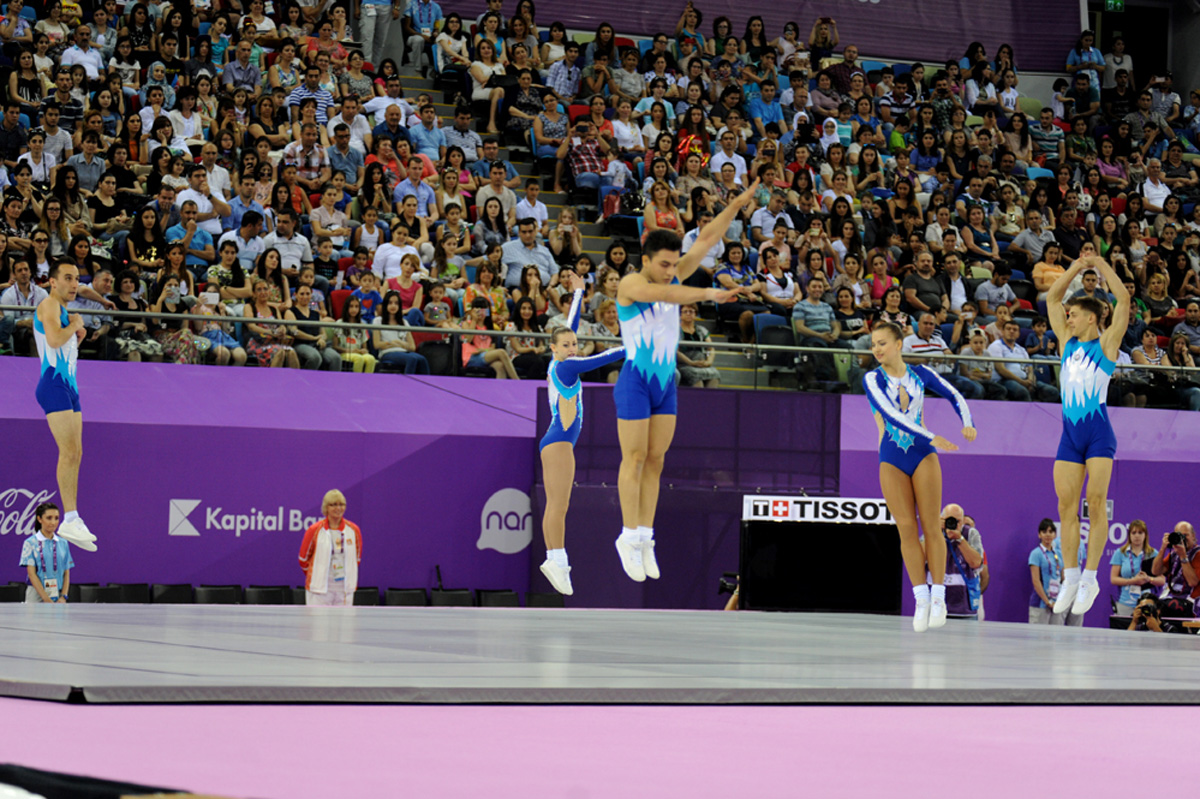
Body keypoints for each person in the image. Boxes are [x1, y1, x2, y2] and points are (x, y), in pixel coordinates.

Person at [612, 181, 758, 583]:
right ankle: (627, 536)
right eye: (664, 264)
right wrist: (711, 292)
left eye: (675, 264)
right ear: (646, 259)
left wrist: (739, 203)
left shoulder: (675, 274)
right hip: (635, 381)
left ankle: (645, 536)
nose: (671, 270)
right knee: (635, 458)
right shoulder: (630, 285)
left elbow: (708, 236)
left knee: (657, 460)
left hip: (665, 383)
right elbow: (667, 295)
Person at [864, 321, 976, 631]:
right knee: (906, 529)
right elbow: (891, 415)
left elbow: (955, 394)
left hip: (922, 454)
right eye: (873, 343)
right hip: (891, 456)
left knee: (932, 526)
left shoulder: (921, 374)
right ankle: (921, 597)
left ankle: (938, 594)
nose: (876, 349)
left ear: (899, 344)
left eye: (882, 342)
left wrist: (968, 421)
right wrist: (932, 435)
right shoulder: (871, 379)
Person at [1045, 253, 1130, 617]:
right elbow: (1052, 298)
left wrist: (1100, 264)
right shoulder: (1067, 343)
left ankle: (1091, 577)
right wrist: (1077, 268)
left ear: (1092, 318)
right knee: (1065, 508)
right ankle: (1071, 575)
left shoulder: (1106, 346)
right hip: (1069, 437)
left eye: (1075, 314)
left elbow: (1123, 298)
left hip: (1098, 435)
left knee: (1095, 503)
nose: (1068, 317)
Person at [538, 273, 627, 595]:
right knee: (558, 506)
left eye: (574, 344)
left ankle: (555, 559)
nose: (573, 348)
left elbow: (570, 328)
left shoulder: (559, 360)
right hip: (559, 442)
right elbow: (602, 358)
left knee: (558, 504)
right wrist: (635, 345)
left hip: (557, 442)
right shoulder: (565, 367)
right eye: (567, 346)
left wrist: (578, 294)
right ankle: (556, 559)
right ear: (553, 349)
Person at [33, 262, 96, 552]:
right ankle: (69, 517)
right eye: (67, 278)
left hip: (70, 387)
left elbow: (63, 345)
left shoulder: (63, 313)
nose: (74, 284)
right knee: (68, 452)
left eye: (77, 279)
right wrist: (74, 325)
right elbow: (54, 338)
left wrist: (77, 335)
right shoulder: (48, 304)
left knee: (78, 453)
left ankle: (73, 516)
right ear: (53, 282)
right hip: (53, 385)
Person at [298, 489, 362, 607]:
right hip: (319, 591)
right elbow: (303, 559)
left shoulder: (353, 530)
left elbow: (356, 559)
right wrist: (317, 574)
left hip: (344, 591)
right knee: (318, 626)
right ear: (326, 507)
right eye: (333, 505)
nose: (338, 508)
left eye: (341, 504)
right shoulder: (314, 530)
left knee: (345, 626)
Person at [19, 501, 73, 604]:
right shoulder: (30, 543)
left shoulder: (63, 543)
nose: (53, 522)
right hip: (35, 595)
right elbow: (32, 574)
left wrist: (64, 596)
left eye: (56, 518)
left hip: (58, 594)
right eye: (49, 518)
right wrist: (46, 599)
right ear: (39, 519)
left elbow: (66, 572)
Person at [1028, 518, 1079, 625]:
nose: (1048, 535)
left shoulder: (1059, 554)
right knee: (1038, 639)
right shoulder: (1036, 554)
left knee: (1054, 638)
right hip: (1041, 604)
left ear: (1055, 535)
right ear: (1039, 535)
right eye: (1044, 531)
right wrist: (1047, 601)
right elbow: (1036, 581)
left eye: (1051, 532)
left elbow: (1063, 578)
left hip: (1057, 604)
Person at [1110, 520, 1163, 616]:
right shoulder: (1120, 552)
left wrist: (1149, 579)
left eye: (1140, 532)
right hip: (1125, 602)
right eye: (1133, 533)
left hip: (1147, 602)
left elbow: (1162, 580)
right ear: (1129, 535)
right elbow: (1113, 579)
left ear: (1145, 535)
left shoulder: (1153, 553)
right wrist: (1133, 581)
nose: (1137, 536)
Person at [1150, 522, 1200, 617]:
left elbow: (1192, 582)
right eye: (1180, 535)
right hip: (1169, 598)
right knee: (1145, 607)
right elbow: (1155, 571)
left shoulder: (1198, 554)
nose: (1183, 539)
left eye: (1186, 535)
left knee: (1159, 610)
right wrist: (1163, 548)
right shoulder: (1174, 554)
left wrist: (1183, 556)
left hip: (1190, 602)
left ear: (1193, 536)